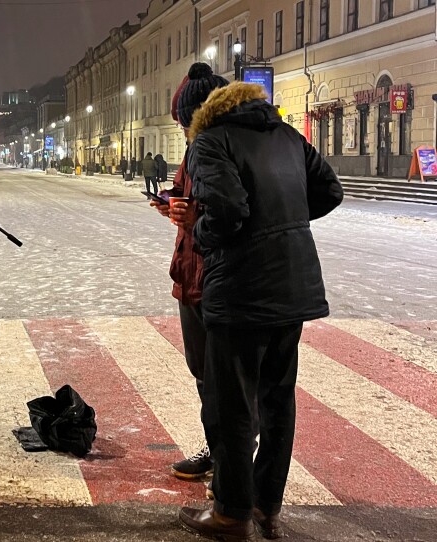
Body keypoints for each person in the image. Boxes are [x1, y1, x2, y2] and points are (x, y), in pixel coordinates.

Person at [178, 81, 343, 540]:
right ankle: (267, 505)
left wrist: (203, 232)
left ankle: (231, 513)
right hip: (294, 288)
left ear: (204, 115)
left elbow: (228, 209)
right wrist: (281, 220)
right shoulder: (289, 137)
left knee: (229, 407)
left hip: (242, 291)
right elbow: (330, 191)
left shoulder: (210, 141)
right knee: (276, 402)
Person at [150, 64, 228, 485]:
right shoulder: (193, 151)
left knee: (224, 381)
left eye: (184, 121)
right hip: (190, 274)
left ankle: (230, 469)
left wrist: (192, 213)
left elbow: (230, 213)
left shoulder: (219, 149)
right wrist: (173, 206)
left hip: (216, 278)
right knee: (203, 374)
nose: (181, 130)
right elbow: (191, 200)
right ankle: (217, 451)